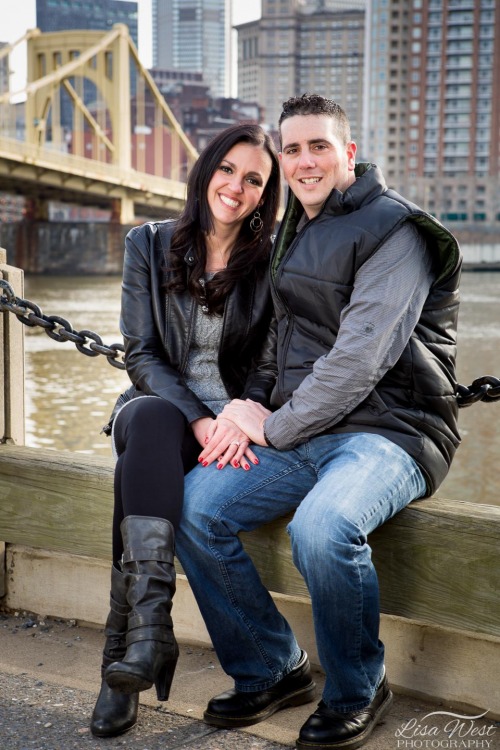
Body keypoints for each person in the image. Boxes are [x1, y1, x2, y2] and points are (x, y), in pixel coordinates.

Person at [175, 94, 462, 750]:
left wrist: (271, 429)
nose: (306, 161)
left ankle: (359, 684)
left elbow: (361, 359)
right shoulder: (289, 231)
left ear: (349, 154)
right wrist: (247, 409)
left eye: (320, 146)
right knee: (194, 506)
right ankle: (272, 667)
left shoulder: (399, 230)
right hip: (304, 428)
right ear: (282, 158)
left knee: (323, 526)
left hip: (392, 432)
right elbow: (281, 344)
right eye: (293, 149)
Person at [89, 122, 281, 738]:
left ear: (264, 196)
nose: (236, 186)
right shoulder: (147, 243)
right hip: (164, 410)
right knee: (147, 420)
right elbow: (142, 354)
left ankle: (131, 656)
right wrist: (198, 418)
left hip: (236, 424)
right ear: (206, 171)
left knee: (133, 476)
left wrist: (236, 415)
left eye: (254, 179)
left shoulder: (275, 259)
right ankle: (147, 638)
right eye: (227, 169)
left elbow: (277, 361)